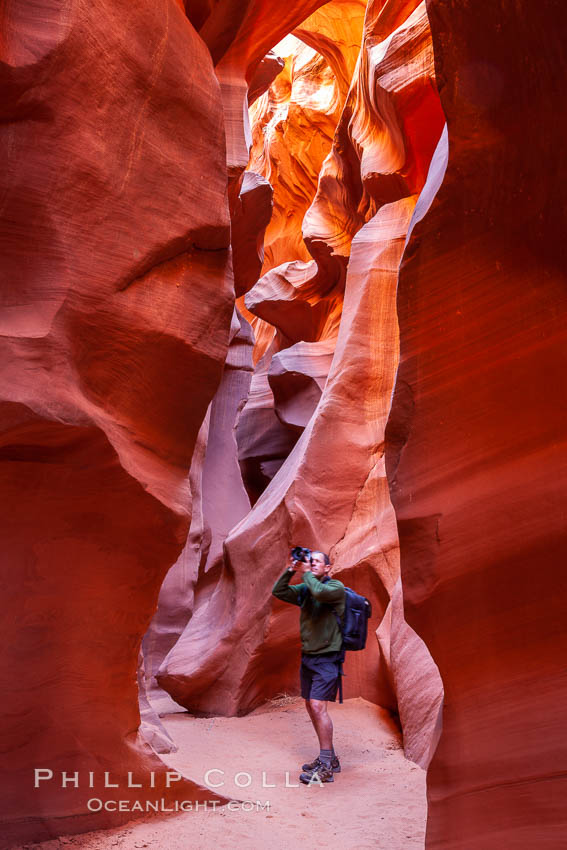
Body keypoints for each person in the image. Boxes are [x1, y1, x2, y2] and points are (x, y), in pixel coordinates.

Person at [272, 549, 345, 784]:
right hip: (309, 658)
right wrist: (291, 569)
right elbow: (279, 591)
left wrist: (305, 574)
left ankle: (325, 766)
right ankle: (330, 757)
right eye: (309, 561)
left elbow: (318, 591)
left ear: (328, 568)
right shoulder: (306, 588)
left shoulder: (335, 588)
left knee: (317, 706)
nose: (311, 564)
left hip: (328, 658)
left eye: (316, 562)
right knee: (310, 706)